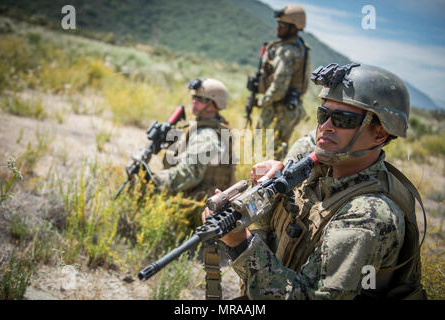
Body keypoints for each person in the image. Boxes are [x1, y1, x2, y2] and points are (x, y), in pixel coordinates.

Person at [202, 63, 427, 300]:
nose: (325, 127)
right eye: (323, 115)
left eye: (343, 120)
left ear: (380, 134)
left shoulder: (368, 215)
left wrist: (240, 243)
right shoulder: (318, 169)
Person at [153, 78, 235, 300]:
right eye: (194, 98)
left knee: (146, 186)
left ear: (214, 104)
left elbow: (188, 174)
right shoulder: (205, 129)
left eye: (201, 99)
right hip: (202, 198)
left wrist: (154, 181)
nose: (194, 102)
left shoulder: (207, 136)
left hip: (201, 205)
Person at [255, 4, 311, 160]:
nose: (278, 28)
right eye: (278, 24)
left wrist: (262, 101)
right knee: (277, 152)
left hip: (278, 108)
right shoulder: (300, 47)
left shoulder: (286, 51)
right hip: (289, 108)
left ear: (294, 27)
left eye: (282, 25)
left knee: (264, 152)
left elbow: (279, 88)